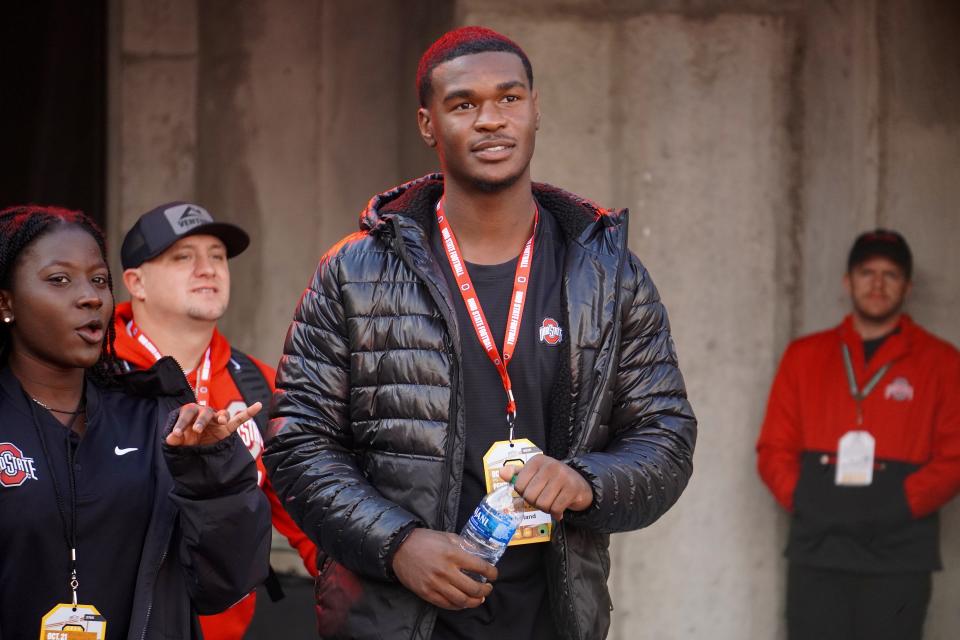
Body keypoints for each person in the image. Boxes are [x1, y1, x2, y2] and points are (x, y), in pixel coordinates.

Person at [265, 26, 697, 640]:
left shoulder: (607, 274)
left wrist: (585, 482)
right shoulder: (354, 271)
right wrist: (399, 545)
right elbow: (296, 443)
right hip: (393, 620)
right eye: (464, 104)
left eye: (509, 98)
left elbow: (667, 437)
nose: (491, 120)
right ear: (427, 124)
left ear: (536, 108)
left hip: (554, 619)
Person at [0, 205, 271, 639]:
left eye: (98, 280)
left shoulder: (155, 417)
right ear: (5, 302)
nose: (90, 296)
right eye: (59, 280)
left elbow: (226, 582)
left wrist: (213, 474)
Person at [115, 201, 318, 639]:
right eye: (183, 256)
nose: (207, 268)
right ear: (136, 281)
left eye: (218, 256)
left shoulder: (260, 387)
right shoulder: (91, 374)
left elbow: (309, 521)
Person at [756, 229, 960, 640]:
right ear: (848, 281)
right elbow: (773, 449)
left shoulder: (943, 362)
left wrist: (896, 502)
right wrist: (806, 500)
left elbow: (955, 457)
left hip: (900, 553)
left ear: (908, 286)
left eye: (891, 274)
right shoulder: (805, 356)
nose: (878, 284)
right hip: (819, 548)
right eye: (867, 272)